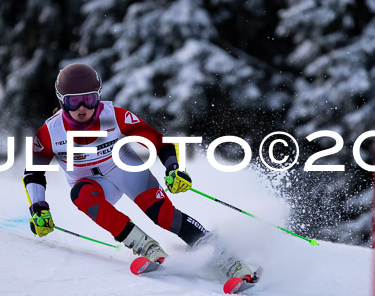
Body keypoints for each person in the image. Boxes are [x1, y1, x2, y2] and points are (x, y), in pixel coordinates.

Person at [23, 62, 258, 282]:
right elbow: (33, 172)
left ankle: (230, 261)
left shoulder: (114, 116)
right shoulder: (49, 132)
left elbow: (158, 141)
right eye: (75, 102)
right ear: (62, 101)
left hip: (126, 170)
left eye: (90, 99)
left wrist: (174, 169)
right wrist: (38, 209)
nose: (83, 108)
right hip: (92, 185)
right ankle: (147, 247)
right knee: (81, 195)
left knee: (163, 215)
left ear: (99, 96)